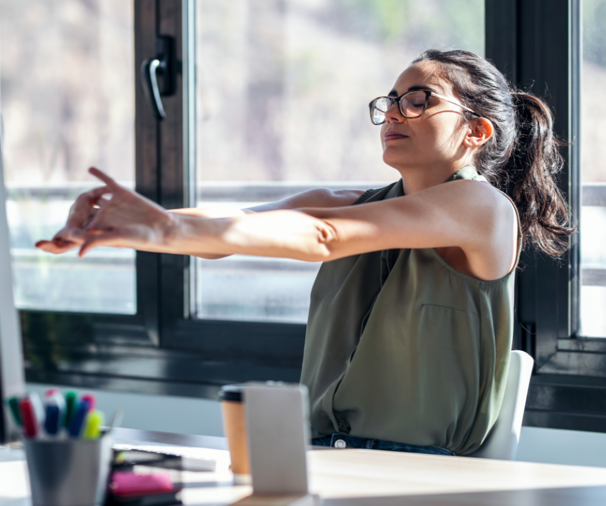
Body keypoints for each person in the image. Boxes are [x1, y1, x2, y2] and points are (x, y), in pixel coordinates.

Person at [36, 49, 575, 456]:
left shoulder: (482, 208)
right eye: (390, 100)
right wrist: (132, 224)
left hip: (420, 472)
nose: (394, 112)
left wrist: (162, 230)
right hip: (319, 456)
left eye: (419, 100)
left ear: (476, 131)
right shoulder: (351, 205)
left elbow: (324, 236)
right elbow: (238, 226)